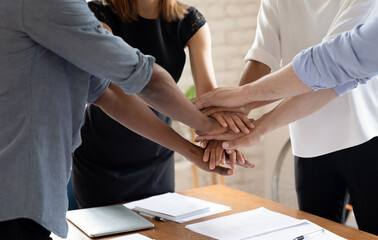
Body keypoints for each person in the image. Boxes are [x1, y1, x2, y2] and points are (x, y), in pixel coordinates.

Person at [0, 0, 245, 239]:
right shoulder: (57, 6)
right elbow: (141, 82)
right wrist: (210, 127)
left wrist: (195, 149)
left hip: (32, 195)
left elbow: (105, 92)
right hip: (27, 188)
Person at [196, 1, 378, 239]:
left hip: (369, 135)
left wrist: (246, 111)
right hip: (309, 143)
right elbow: (262, 58)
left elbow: (332, 65)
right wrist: (231, 121)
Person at [72, 0, 253, 209]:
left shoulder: (191, 22)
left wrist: (220, 140)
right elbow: (115, 91)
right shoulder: (98, 14)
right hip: (100, 161)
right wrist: (207, 135)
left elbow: (208, 99)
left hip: (158, 157)